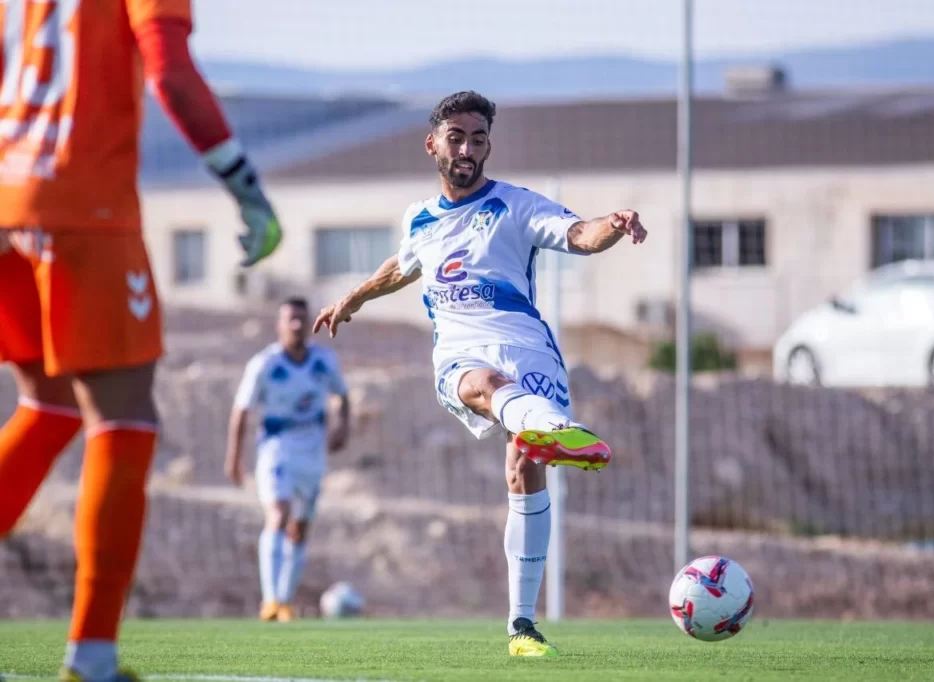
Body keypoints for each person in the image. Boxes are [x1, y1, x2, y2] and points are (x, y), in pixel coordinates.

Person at [0, 1, 281, 680]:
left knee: (49, 406)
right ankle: (92, 657)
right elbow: (173, 75)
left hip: (7, 205)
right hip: (84, 212)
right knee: (124, 416)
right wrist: (245, 186)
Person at [312, 91, 647, 656]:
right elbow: (402, 265)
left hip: (527, 348)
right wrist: (355, 297)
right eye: (458, 138)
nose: (468, 149)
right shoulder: (419, 219)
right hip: (462, 352)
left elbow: (578, 235)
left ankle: (521, 628)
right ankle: (551, 427)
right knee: (482, 388)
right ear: (433, 144)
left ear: (489, 145)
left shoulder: (516, 205)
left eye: (479, 139)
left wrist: (613, 225)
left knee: (522, 468)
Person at [226, 297, 350, 623]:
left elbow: (342, 395)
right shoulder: (264, 364)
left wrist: (342, 427)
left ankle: (285, 601)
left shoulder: (324, 360)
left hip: (313, 449)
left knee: (301, 527)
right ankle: (270, 601)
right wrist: (234, 458)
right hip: (276, 448)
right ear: (279, 325)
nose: (296, 324)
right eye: (290, 319)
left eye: (300, 318)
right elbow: (242, 410)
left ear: (309, 323)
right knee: (278, 516)